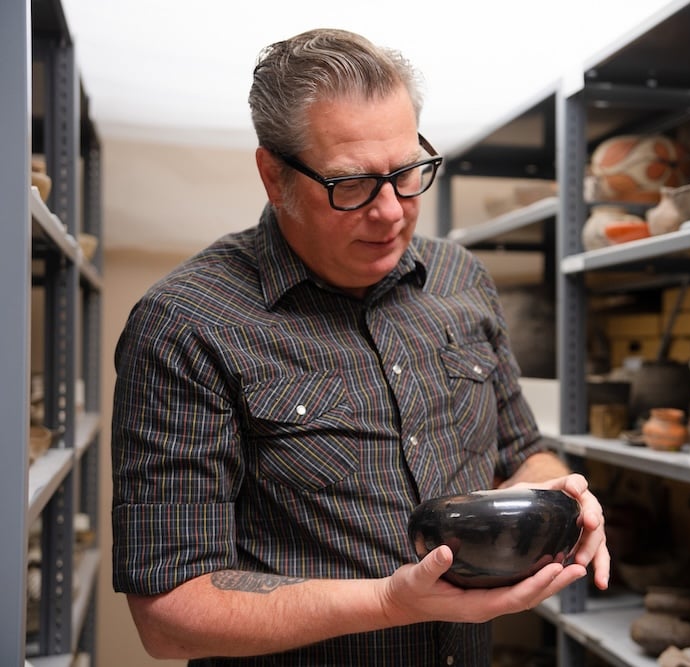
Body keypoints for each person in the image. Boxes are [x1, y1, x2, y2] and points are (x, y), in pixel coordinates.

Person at [111, 27, 609, 666]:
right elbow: (171, 614)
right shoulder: (186, 323)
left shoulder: (461, 278)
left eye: (408, 173)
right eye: (350, 185)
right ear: (273, 175)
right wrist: (389, 603)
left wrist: (559, 495)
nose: (390, 212)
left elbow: (524, 453)